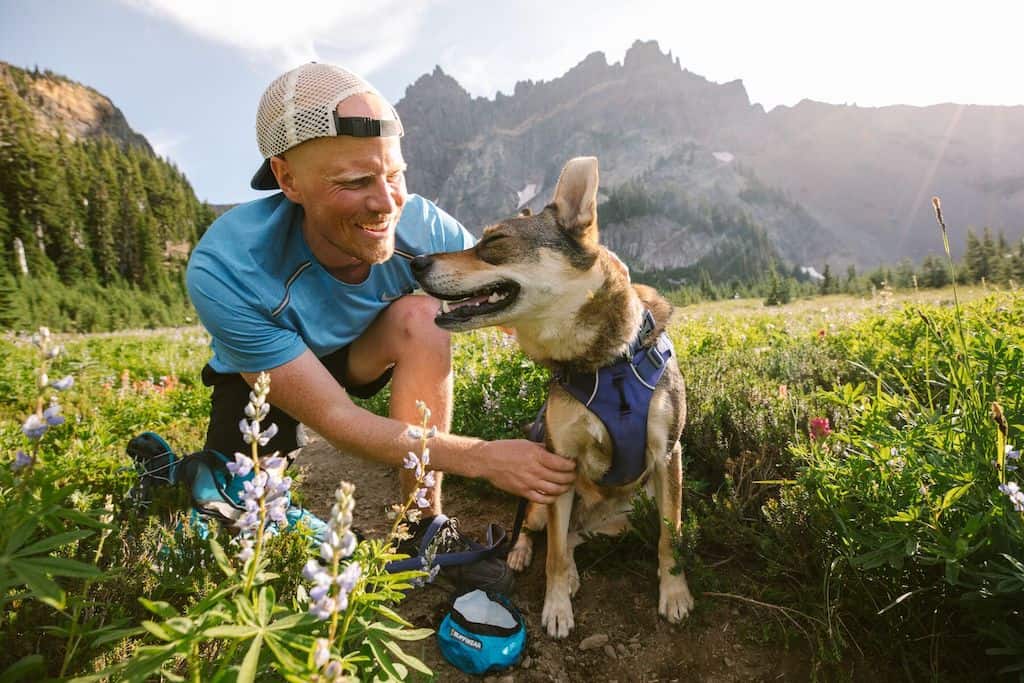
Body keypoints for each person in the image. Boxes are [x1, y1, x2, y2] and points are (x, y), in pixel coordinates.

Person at [185, 63, 575, 522]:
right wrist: (481, 456)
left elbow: (516, 294)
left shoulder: (422, 227)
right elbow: (335, 418)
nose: (387, 204)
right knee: (237, 508)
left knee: (421, 314)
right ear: (288, 179)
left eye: (394, 175)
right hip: (262, 379)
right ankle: (180, 473)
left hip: (359, 351)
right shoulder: (227, 267)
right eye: (354, 182)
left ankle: (422, 521)